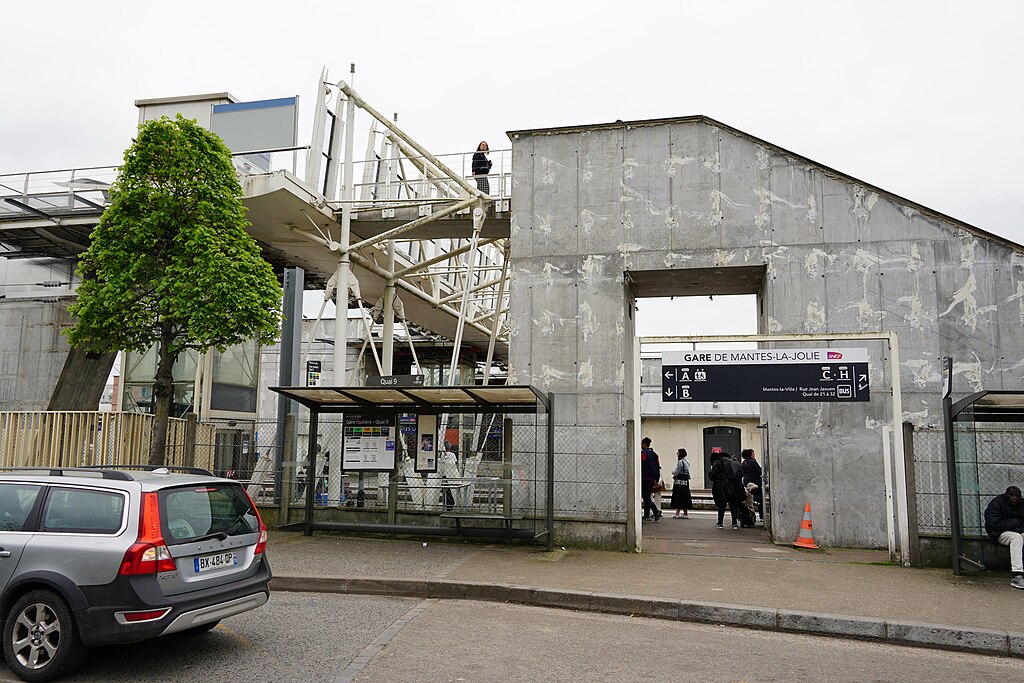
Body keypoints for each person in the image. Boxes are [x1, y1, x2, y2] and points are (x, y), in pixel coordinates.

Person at [984, 485, 1024, 589]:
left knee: (1018, 536)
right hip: (999, 534)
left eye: (1017, 496)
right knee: (1016, 538)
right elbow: (994, 525)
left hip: (1017, 531)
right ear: (1006, 495)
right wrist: (1016, 522)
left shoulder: (1022, 504)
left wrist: (1013, 524)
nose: (1015, 498)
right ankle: (1017, 575)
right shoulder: (996, 503)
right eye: (1012, 495)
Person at [709, 452, 742, 529]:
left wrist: (711, 472)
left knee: (721, 506)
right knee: (733, 505)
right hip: (733, 487)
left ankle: (720, 522)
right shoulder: (732, 462)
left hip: (721, 487)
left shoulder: (717, 462)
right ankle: (734, 523)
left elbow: (712, 476)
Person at [639, 436, 662, 521]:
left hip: (645, 478)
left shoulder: (643, 454)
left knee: (645, 496)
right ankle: (646, 515)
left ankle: (655, 511)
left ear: (644, 444)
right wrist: (656, 478)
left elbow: (643, 465)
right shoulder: (655, 454)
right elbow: (657, 467)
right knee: (647, 496)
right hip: (652, 479)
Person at [740, 448, 764, 523]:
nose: (754, 454)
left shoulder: (743, 463)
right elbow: (759, 471)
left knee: (748, 500)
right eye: (753, 453)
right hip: (755, 483)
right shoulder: (753, 462)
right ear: (750, 454)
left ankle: (748, 515)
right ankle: (762, 516)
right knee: (760, 499)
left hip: (747, 482)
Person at [669, 448, 692, 518]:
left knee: (678, 496)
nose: (677, 454)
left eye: (678, 453)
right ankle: (685, 513)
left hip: (679, 482)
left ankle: (677, 513)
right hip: (685, 482)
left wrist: (673, 472)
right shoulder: (686, 461)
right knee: (684, 497)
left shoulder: (680, 462)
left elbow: (676, 472)